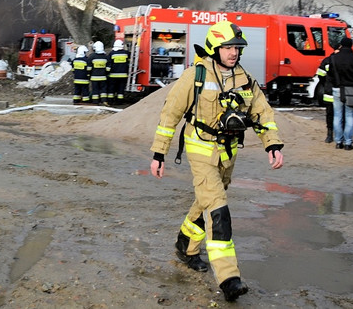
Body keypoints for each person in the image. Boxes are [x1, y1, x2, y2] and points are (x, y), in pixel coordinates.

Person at [150, 21, 283, 303]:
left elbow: (262, 114)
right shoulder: (195, 76)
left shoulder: (245, 79)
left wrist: (272, 145)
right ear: (215, 48)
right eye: (228, 48)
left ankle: (185, 245)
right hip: (200, 150)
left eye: (236, 48)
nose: (233, 53)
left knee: (206, 201)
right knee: (218, 209)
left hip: (228, 154)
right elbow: (169, 115)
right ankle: (229, 278)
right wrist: (159, 153)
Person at [327, 37, 353, 150]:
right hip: (351, 90)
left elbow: (330, 75)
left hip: (337, 89)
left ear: (341, 45)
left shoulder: (334, 58)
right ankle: (348, 143)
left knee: (337, 115)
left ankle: (338, 141)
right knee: (349, 116)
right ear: (351, 45)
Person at [311, 53, 335, 143]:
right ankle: (342, 137)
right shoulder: (346, 59)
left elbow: (320, 74)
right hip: (342, 93)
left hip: (329, 92)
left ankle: (329, 135)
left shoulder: (327, 60)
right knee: (341, 115)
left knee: (329, 114)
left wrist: (326, 84)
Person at [108, 39, 130, 105]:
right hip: (123, 75)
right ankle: (119, 101)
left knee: (112, 88)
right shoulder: (126, 53)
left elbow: (109, 64)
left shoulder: (112, 53)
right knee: (121, 88)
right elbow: (129, 62)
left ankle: (110, 101)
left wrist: (107, 72)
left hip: (113, 75)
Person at [88, 41, 109, 105]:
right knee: (103, 90)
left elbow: (89, 67)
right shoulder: (105, 56)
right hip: (103, 77)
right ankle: (104, 100)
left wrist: (89, 74)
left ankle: (95, 101)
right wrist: (106, 73)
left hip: (94, 77)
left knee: (95, 90)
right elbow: (108, 68)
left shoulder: (92, 56)